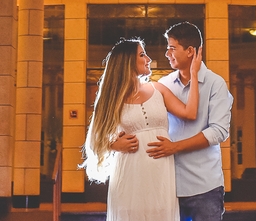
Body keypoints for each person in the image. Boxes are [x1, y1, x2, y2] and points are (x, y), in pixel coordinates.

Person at [113, 22, 233, 221]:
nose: (166, 54)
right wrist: (114, 143)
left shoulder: (216, 84)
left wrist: (175, 147)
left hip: (203, 187)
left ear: (190, 51)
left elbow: (218, 131)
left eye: (172, 48)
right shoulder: (163, 84)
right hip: (166, 184)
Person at [85, 38, 203, 221]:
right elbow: (94, 139)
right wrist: (114, 145)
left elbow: (190, 112)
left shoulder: (158, 89)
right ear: (127, 61)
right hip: (129, 173)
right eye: (142, 55)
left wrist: (194, 74)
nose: (148, 59)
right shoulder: (112, 98)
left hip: (161, 172)